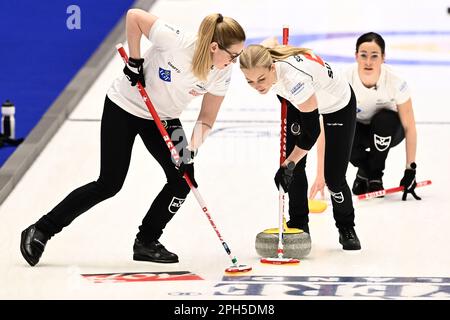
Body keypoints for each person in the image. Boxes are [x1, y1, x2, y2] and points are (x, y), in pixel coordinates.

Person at [20, 9, 246, 266]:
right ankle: (41, 229)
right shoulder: (178, 41)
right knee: (110, 183)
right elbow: (134, 17)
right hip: (124, 106)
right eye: (233, 55)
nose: (235, 62)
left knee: (183, 180)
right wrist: (135, 61)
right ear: (215, 47)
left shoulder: (221, 72)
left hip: (164, 118)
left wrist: (190, 150)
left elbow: (206, 118)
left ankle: (147, 241)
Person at [239, 44, 361, 250]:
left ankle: (346, 227)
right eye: (249, 81)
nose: (257, 86)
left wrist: (289, 163)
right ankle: (299, 225)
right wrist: (291, 163)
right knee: (293, 166)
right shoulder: (270, 68)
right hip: (299, 101)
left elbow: (312, 133)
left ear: (272, 67)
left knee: (333, 177)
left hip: (338, 105)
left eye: (261, 79)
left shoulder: (295, 80)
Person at [345, 32, 420, 200]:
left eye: (374, 56)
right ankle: (366, 172)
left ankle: (375, 175)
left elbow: (410, 127)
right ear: (356, 56)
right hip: (358, 132)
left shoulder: (396, 82)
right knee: (341, 128)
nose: (368, 62)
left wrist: (410, 169)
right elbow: (327, 125)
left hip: (390, 131)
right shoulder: (344, 80)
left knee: (384, 120)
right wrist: (322, 175)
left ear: (383, 57)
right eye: (363, 55)